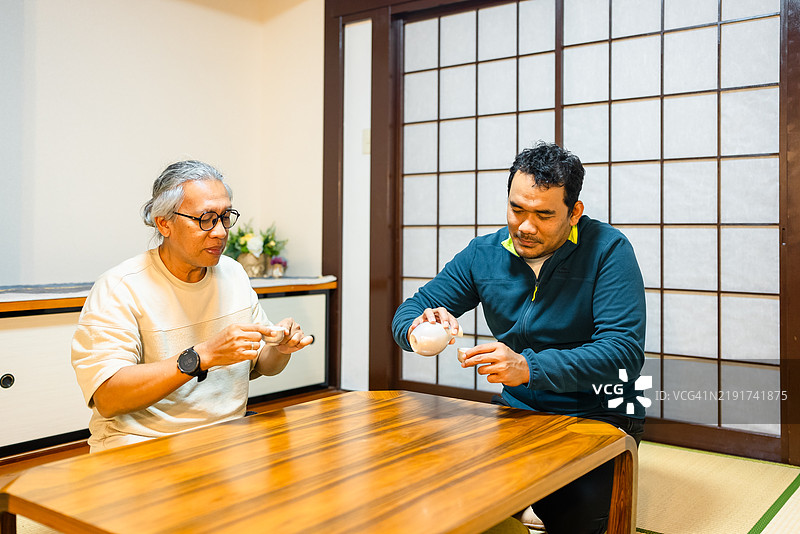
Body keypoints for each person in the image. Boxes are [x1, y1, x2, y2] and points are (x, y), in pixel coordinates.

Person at [392, 141, 646, 534]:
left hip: (600, 412)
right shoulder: (484, 254)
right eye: (517, 209)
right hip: (520, 410)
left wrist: (528, 367)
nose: (526, 227)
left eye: (544, 215)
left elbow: (623, 353)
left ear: (574, 212)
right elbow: (410, 310)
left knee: (576, 517)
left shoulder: (608, 249)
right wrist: (419, 326)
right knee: (451, 496)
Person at [72, 160, 313, 453]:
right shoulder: (120, 287)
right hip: (143, 443)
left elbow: (262, 364)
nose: (220, 232)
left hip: (226, 440)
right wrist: (202, 356)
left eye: (225, 217)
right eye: (206, 219)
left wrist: (279, 348)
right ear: (164, 223)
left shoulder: (233, 273)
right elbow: (109, 398)